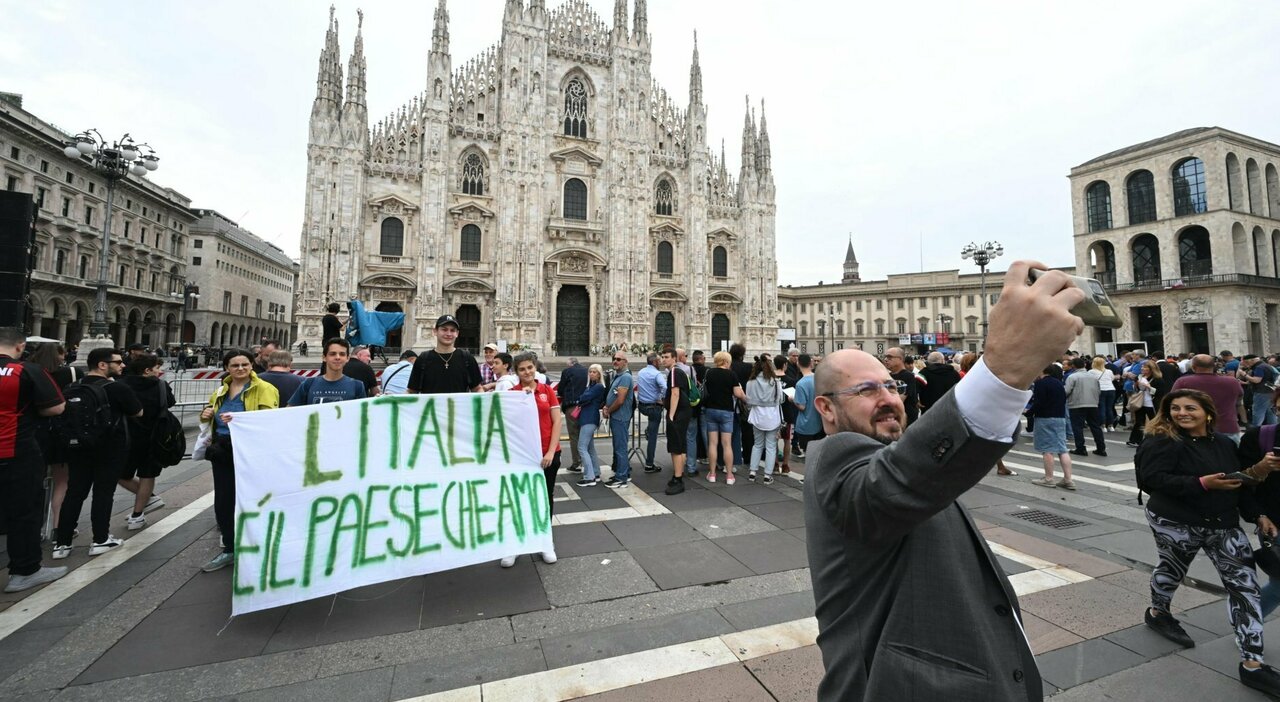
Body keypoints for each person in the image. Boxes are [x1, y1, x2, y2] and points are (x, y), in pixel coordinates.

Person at [804, 262, 1084, 701]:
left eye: (892, 385)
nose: (889, 399)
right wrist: (1004, 371)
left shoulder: (885, 455)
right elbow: (897, 482)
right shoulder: (834, 458)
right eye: (866, 390)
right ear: (825, 409)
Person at [1136, 389, 1280, 697]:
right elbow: (1150, 480)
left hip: (1223, 524)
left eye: (1190, 407)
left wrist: (1257, 515)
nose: (1181, 413)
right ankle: (1159, 613)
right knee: (1173, 570)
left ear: (1208, 412)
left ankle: (1252, 664)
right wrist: (1202, 484)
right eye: (1175, 408)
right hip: (1176, 522)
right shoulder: (1162, 440)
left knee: (1245, 588)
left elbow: (1238, 483)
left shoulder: (1226, 444)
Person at [53, 347, 143, 560]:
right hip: (109, 447)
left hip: (77, 447)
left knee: (75, 492)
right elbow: (138, 411)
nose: (123, 365)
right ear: (103, 365)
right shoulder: (117, 388)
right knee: (103, 493)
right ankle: (100, 539)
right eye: (118, 362)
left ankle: (62, 543)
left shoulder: (73, 387)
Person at [199, 349, 280, 572]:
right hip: (223, 451)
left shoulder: (264, 389)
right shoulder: (221, 391)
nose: (241, 369)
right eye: (235, 365)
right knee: (224, 500)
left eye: (245, 364)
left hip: (251, 453)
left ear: (252, 365)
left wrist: (241, 420)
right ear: (227, 368)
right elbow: (212, 415)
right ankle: (230, 548)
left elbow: (269, 420)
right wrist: (205, 415)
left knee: (254, 498)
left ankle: (259, 546)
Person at [0, 328, 68, 593]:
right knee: (24, 511)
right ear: (20, 346)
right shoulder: (27, 370)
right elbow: (56, 407)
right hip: (17, 451)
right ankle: (25, 570)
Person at [501, 354, 561, 567]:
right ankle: (516, 543)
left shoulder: (547, 391)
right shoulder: (511, 394)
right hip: (522, 456)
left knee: (545, 498)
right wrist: (522, 401)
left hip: (548, 453)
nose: (527, 372)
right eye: (522, 369)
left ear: (535, 368)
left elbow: (557, 421)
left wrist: (551, 452)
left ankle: (545, 542)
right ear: (516, 372)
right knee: (519, 498)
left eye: (530, 368)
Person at [116, 354, 176, 531]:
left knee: (120, 474)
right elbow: (170, 403)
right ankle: (137, 514)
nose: (160, 371)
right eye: (157, 368)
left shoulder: (121, 385)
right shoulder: (160, 385)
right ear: (147, 370)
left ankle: (147, 501)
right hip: (155, 437)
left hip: (127, 437)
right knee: (147, 475)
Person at [27, 343, 75, 531]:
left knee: (32, 482)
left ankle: (32, 527)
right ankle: (58, 528)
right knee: (61, 482)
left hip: (31, 433)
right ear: (60, 355)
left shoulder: (28, 372)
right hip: (59, 432)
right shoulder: (70, 373)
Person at [1173, 354, 1245, 443]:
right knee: (1230, 456)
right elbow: (1239, 401)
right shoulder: (1232, 382)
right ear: (1213, 366)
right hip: (1227, 427)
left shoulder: (1183, 382)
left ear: (1193, 367)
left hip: (1196, 429)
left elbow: (1172, 402)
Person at [407, 315, 482, 394]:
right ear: (435, 331)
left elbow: (477, 389)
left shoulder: (467, 358)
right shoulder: (423, 359)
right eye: (444, 329)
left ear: (457, 333)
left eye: (452, 330)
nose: (448, 334)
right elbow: (411, 391)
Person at [702, 351, 746, 484]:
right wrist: (746, 398)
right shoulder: (731, 374)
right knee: (727, 444)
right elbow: (738, 393)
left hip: (711, 410)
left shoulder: (709, 373)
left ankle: (713, 474)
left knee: (713, 443)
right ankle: (730, 475)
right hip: (726, 411)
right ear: (727, 361)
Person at [1029, 364, 1074, 490]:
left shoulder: (1041, 383)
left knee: (1047, 449)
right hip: (1060, 417)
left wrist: (1028, 412)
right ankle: (1068, 479)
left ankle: (1049, 479)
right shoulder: (1059, 383)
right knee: (1062, 449)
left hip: (1045, 418)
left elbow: (1039, 402)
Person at [289, 339, 367, 406]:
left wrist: (377, 403)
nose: (337, 357)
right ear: (324, 357)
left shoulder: (358, 386)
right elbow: (289, 413)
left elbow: (365, 415)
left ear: (347, 358)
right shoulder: (308, 384)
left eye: (342, 354)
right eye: (332, 354)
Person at [745, 354, 785, 484]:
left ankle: (752, 471)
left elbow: (748, 401)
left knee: (757, 445)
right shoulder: (775, 382)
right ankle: (767, 474)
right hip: (772, 416)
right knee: (771, 447)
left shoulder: (750, 382)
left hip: (757, 415)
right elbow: (780, 400)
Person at [660, 348, 692, 495]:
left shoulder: (674, 372)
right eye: (662, 357)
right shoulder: (680, 371)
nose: (663, 359)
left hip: (678, 412)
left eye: (666, 357)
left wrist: (671, 415)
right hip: (685, 411)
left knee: (675, 446)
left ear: (674, 358)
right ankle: (679, 473)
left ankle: (678, 478)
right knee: (681, 444)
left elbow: (675, 393)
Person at [601, 352, 634, 488]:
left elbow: (620, 400)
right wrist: (606, 405)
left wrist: (609, 410)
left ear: (625, 362)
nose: (615, 361)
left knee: (620, 447)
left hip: (620, 417)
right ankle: (622, 473)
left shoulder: (625, 377)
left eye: (618, 359)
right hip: (617, 416)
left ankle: (621, 477)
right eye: (614, 359)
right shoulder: (618, 376)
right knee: (618, 447)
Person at [1064, 356, 1106, 457]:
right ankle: (1101, 448)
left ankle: (1081, 448)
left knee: (1077, 427)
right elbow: (1098, 390)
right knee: (1095, 426)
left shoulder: (1072, 377)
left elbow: (1066, 391)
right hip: (1092, 403)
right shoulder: (1093, 377)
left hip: (1076, 404)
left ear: (1073, 366)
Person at [574, 364, 607, 487]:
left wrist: (580, 399)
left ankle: (589, 477)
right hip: (588, 418)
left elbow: (584, 397)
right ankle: (596, 472)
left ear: (599, 374)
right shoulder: (593, 386)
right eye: (590, 372)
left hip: (589, 418)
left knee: (581, 447)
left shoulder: (598, 386)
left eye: (594, 372)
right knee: (589, 448)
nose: (592, 374)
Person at [634, 354, 665, 472]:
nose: (661, 362)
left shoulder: (641, 372)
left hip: (642, 406)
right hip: (653, 407)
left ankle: (648, 430)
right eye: (659, 361)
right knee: (653, 437)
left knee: (651, 427)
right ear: (655, 362)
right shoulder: (657, 374)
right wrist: (662, 398)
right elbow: (665, 387)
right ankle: (649, 464)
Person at [557, 357, 588, 473]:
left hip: (572, 406)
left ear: (570, 364)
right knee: (585, 434)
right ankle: (588, 462)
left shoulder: (567, 372)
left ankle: (577, 463)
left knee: (574, 435)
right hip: (585, 406)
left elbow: (560, 389)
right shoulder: (586, 371)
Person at [792, 354, 824, 454]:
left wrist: (793, 399)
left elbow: (802, 406)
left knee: (808, 454)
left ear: (798, 363)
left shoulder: (800, 384)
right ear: (811, 363)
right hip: (820, 422)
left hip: (806, 425)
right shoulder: (819, 379)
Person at [1127, 360, 1162, 447]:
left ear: (1151, 369)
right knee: (1139, 421)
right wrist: (1135, 385)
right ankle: (1135, 440)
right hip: (1141, 402)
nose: (1142, 368)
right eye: (1142, 367)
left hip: (1151, 403)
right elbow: (1137, 390)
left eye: (1145, 367)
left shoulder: (1157, 379)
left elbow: (1160, 392)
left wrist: (1148, 387)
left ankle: (1158, 440)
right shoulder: (1140, 377)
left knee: (1155, 422)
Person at [882, 348, 919, 427]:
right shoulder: (887, 376)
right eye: (885, 357)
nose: (886, 360)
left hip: (906, 420)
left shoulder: (908, 376)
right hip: (891, 418)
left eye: (889, 357)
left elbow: (900, 399)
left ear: (900, 359)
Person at [773, 354, 796, 475]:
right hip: (787, 412)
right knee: (787, 440)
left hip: (773, 413)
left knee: (774, 440)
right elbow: (793, 397)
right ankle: (785, 465)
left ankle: (775, 464)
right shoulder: (790, 380)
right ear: (785, 365)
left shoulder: (770, 379)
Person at [1242, 355, 1279, 427]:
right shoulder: (1266, 365)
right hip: (1271, 391)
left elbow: (1256, 380)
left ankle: (1256, 430)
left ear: (1252, 360)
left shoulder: (1259, 367)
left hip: (1261, 393)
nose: (1246, 364)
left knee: (1258, 412)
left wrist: (1244, 374)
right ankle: (1274, 429)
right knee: (1270, 412)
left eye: (1247, 362)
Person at [1096, 356, 1118, 431]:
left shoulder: (1092, 371)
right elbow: (1112, 378)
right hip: (1111, 389)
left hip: (1100, 390)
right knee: (1109, 407)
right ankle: (1110, 425)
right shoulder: (1109, 371)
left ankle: (1103, 425)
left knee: (1101, 407)